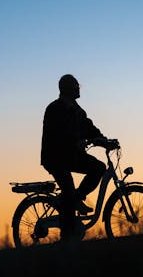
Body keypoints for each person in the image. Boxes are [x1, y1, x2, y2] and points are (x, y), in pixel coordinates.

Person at [41, 74, 107, 240]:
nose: (79, 88)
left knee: (98, 168)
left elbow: (89, 127)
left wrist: (104, 140)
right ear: (68, 88)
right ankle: (67, 236)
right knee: (68, 191)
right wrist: (76, 139)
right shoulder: (54, 109)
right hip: (55, 158)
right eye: (76, 86)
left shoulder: (77, 110)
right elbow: (59, 133)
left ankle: (77, 198)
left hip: (71, 156)